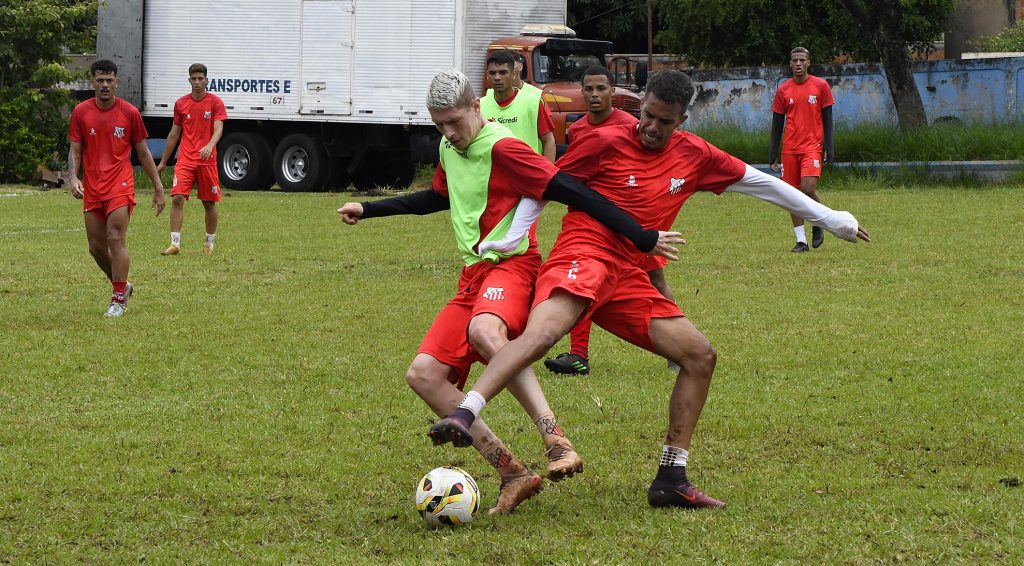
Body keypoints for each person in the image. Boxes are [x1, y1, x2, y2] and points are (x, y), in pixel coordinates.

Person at [428, 70, 870, 510]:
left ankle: (671, 478)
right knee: (544, 335)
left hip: (629, 275)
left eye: (665, 121)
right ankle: (466, 412)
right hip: (584, 252)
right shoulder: (604, 141)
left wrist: (831, 218)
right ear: (640, 105)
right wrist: (512, 235)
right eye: (647, 115)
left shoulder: (695, 155)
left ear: (682, 119)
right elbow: (545, 184)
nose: (651, 128)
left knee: (699, 356)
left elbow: (761, 183)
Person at [337, 69, 679, 515]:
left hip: (514, 266)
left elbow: (569, 188)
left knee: (485, 332)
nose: (449, 133)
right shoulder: (448, 145)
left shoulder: (505, 148)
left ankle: (556, 441)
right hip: (472, 276)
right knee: (423, 375)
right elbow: (441, 196)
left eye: (455, 121)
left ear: (476, 107)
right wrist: (370, 209)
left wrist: (640, 235)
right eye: (439, 125)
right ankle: (513, 471)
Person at [545, 65, 674, 377]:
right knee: (585, 283)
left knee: (656, 281)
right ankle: (578, 355)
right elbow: (574, 174)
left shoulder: (631, 125)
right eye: (588, 89)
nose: (594, 95)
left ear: (612, 92)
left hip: (630, 223)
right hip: (591, 223)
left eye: (601, 88)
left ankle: (676, 347)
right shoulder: (577, 129)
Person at [68, 59, 166, 318]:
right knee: (95, 246)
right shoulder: (81, 112)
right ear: (92, 82)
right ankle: (123, 285)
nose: (104, 85)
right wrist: (73, 177)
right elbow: (75, 151)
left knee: (114, 237)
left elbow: (144, 154)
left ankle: (118, 299)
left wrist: (158, 187)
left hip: (120, 185)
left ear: (116, 83)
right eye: (99, 80)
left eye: (109, 80)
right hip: (93, 186)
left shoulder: (129, 112)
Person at [156, 63, 228, 256]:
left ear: (206, 80)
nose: (197, 82)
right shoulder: (181, 104)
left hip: (207, 161)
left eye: (200, 79)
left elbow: (218, 129)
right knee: (177, 198)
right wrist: (163, 162)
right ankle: (175, 244)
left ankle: (209, 243)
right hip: (186, 160)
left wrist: (209, 145)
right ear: (189, 80)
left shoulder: (215, 102)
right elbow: (174, 134)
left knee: (209, 203)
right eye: (193, 79)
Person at [769, 47, 835, 253]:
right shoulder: (783, 90)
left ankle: (817, 223)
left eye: (802, 60)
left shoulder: (821, 86)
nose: (798, 63)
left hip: (812, 147)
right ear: (790, 64)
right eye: (794, 60)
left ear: (808, 63)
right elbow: (777, 124)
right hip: (789, 149)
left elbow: (828, 119)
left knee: (807, 189)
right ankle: (801, 242)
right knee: (791, 195)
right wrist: (773, 153)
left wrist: (829, 147)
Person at [480, 50, 556, 163]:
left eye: (503, 72)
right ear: (487, 76)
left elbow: (549, 140)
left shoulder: (533, 101)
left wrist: (548, 175)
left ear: (514, 74)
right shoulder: (480, 106)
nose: (497, 77)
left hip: (526, 174)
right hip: (492, 176)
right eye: (492, 73)